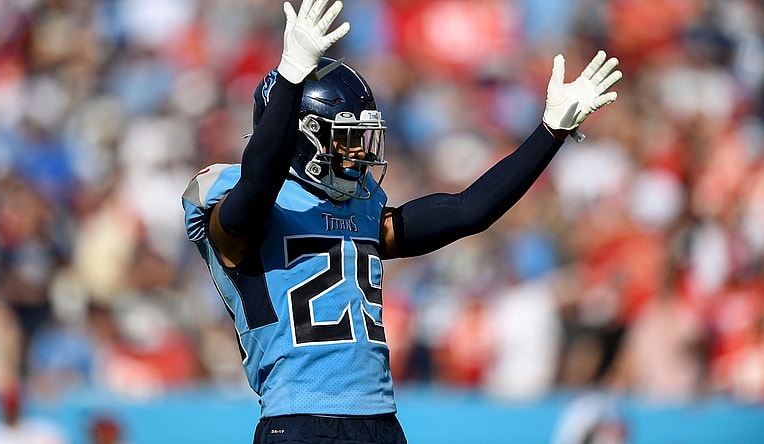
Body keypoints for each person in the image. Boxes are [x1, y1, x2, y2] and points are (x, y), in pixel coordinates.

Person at [182, 1, 622, 442]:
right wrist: (292, 75)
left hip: (381, 423)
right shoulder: (239, 208)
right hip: (299, 420)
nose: (359, 155)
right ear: (301, 138)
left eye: (362, 139)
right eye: (344, 141)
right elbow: (259, 184)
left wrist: (549, 132)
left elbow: (469, 211)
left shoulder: (361, 211)